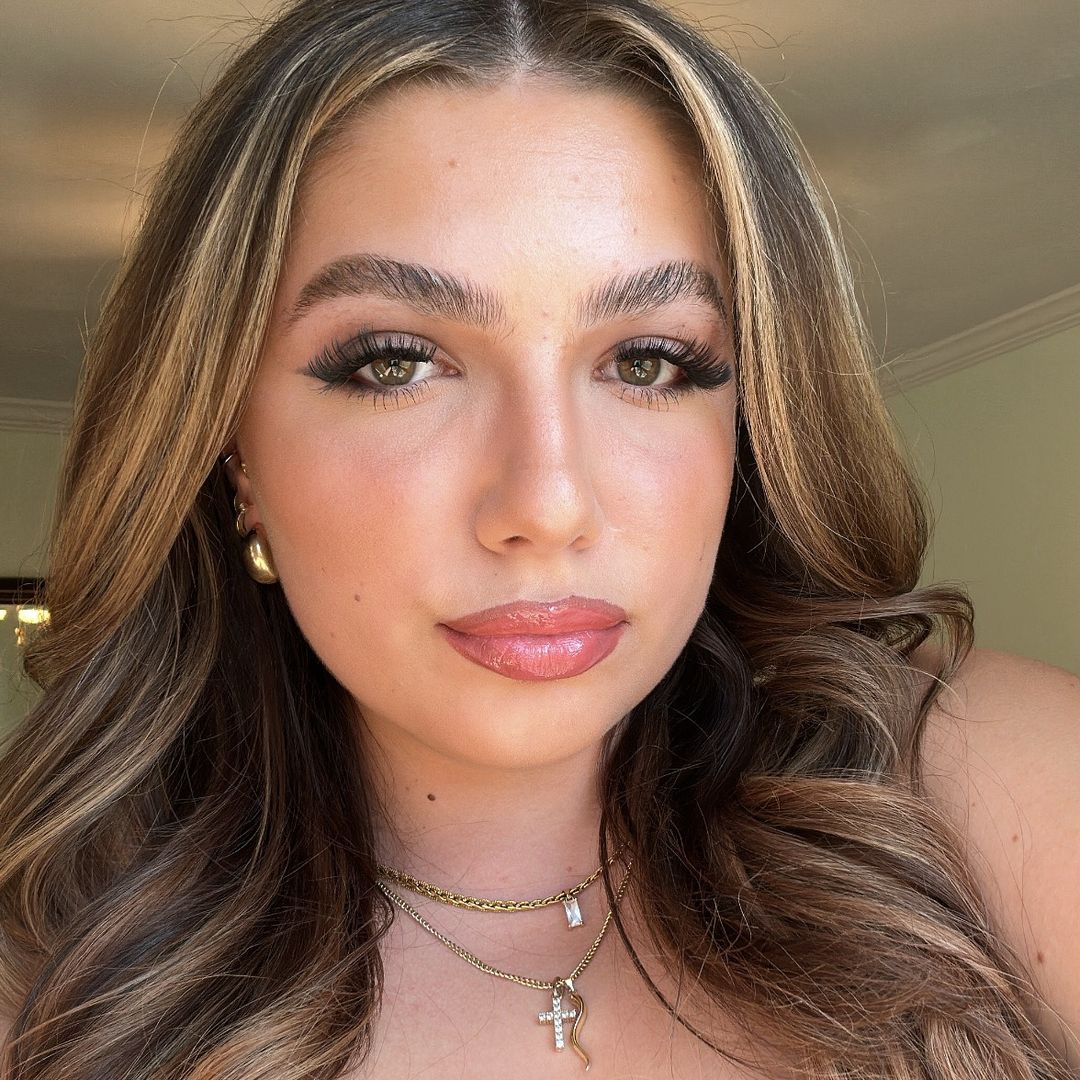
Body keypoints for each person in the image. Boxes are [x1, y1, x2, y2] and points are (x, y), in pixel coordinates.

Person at [0, 0, 1077, 1077]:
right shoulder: (50, 988)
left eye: (649, 361)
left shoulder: (986, 786)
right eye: (394, 362)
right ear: (233, 450)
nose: (549, 502)